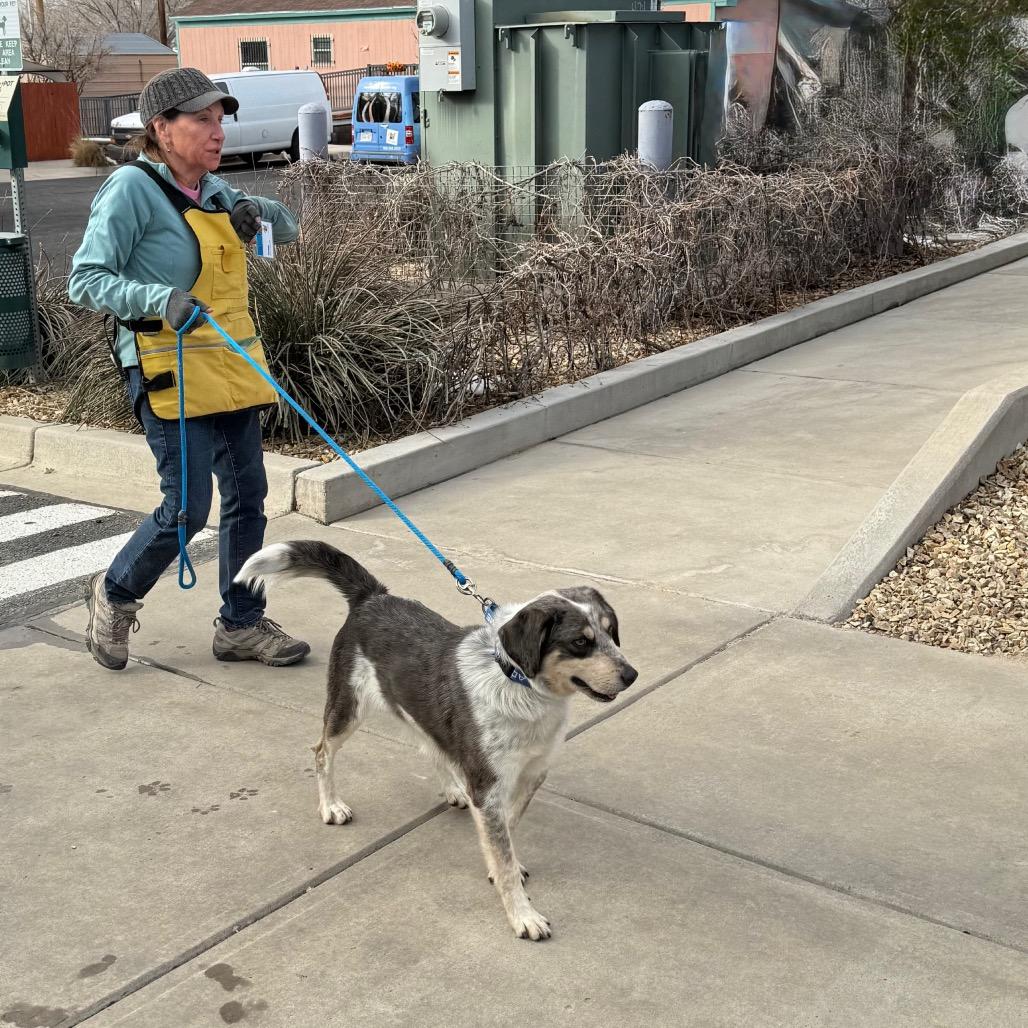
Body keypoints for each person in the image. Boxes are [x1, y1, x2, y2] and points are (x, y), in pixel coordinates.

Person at [69, 67, 310, 671]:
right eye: (200, 119)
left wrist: (259, 211)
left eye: (220, 118)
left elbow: (289, 228)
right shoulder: (132, 189)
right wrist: (157, 300)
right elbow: (86, 279)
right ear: (161, 129)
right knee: (185, 509)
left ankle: (241, 624)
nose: (216, 130)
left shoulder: (217, 192)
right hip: (165, 368)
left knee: (249, 497)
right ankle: (115, 593)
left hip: (230, 367)